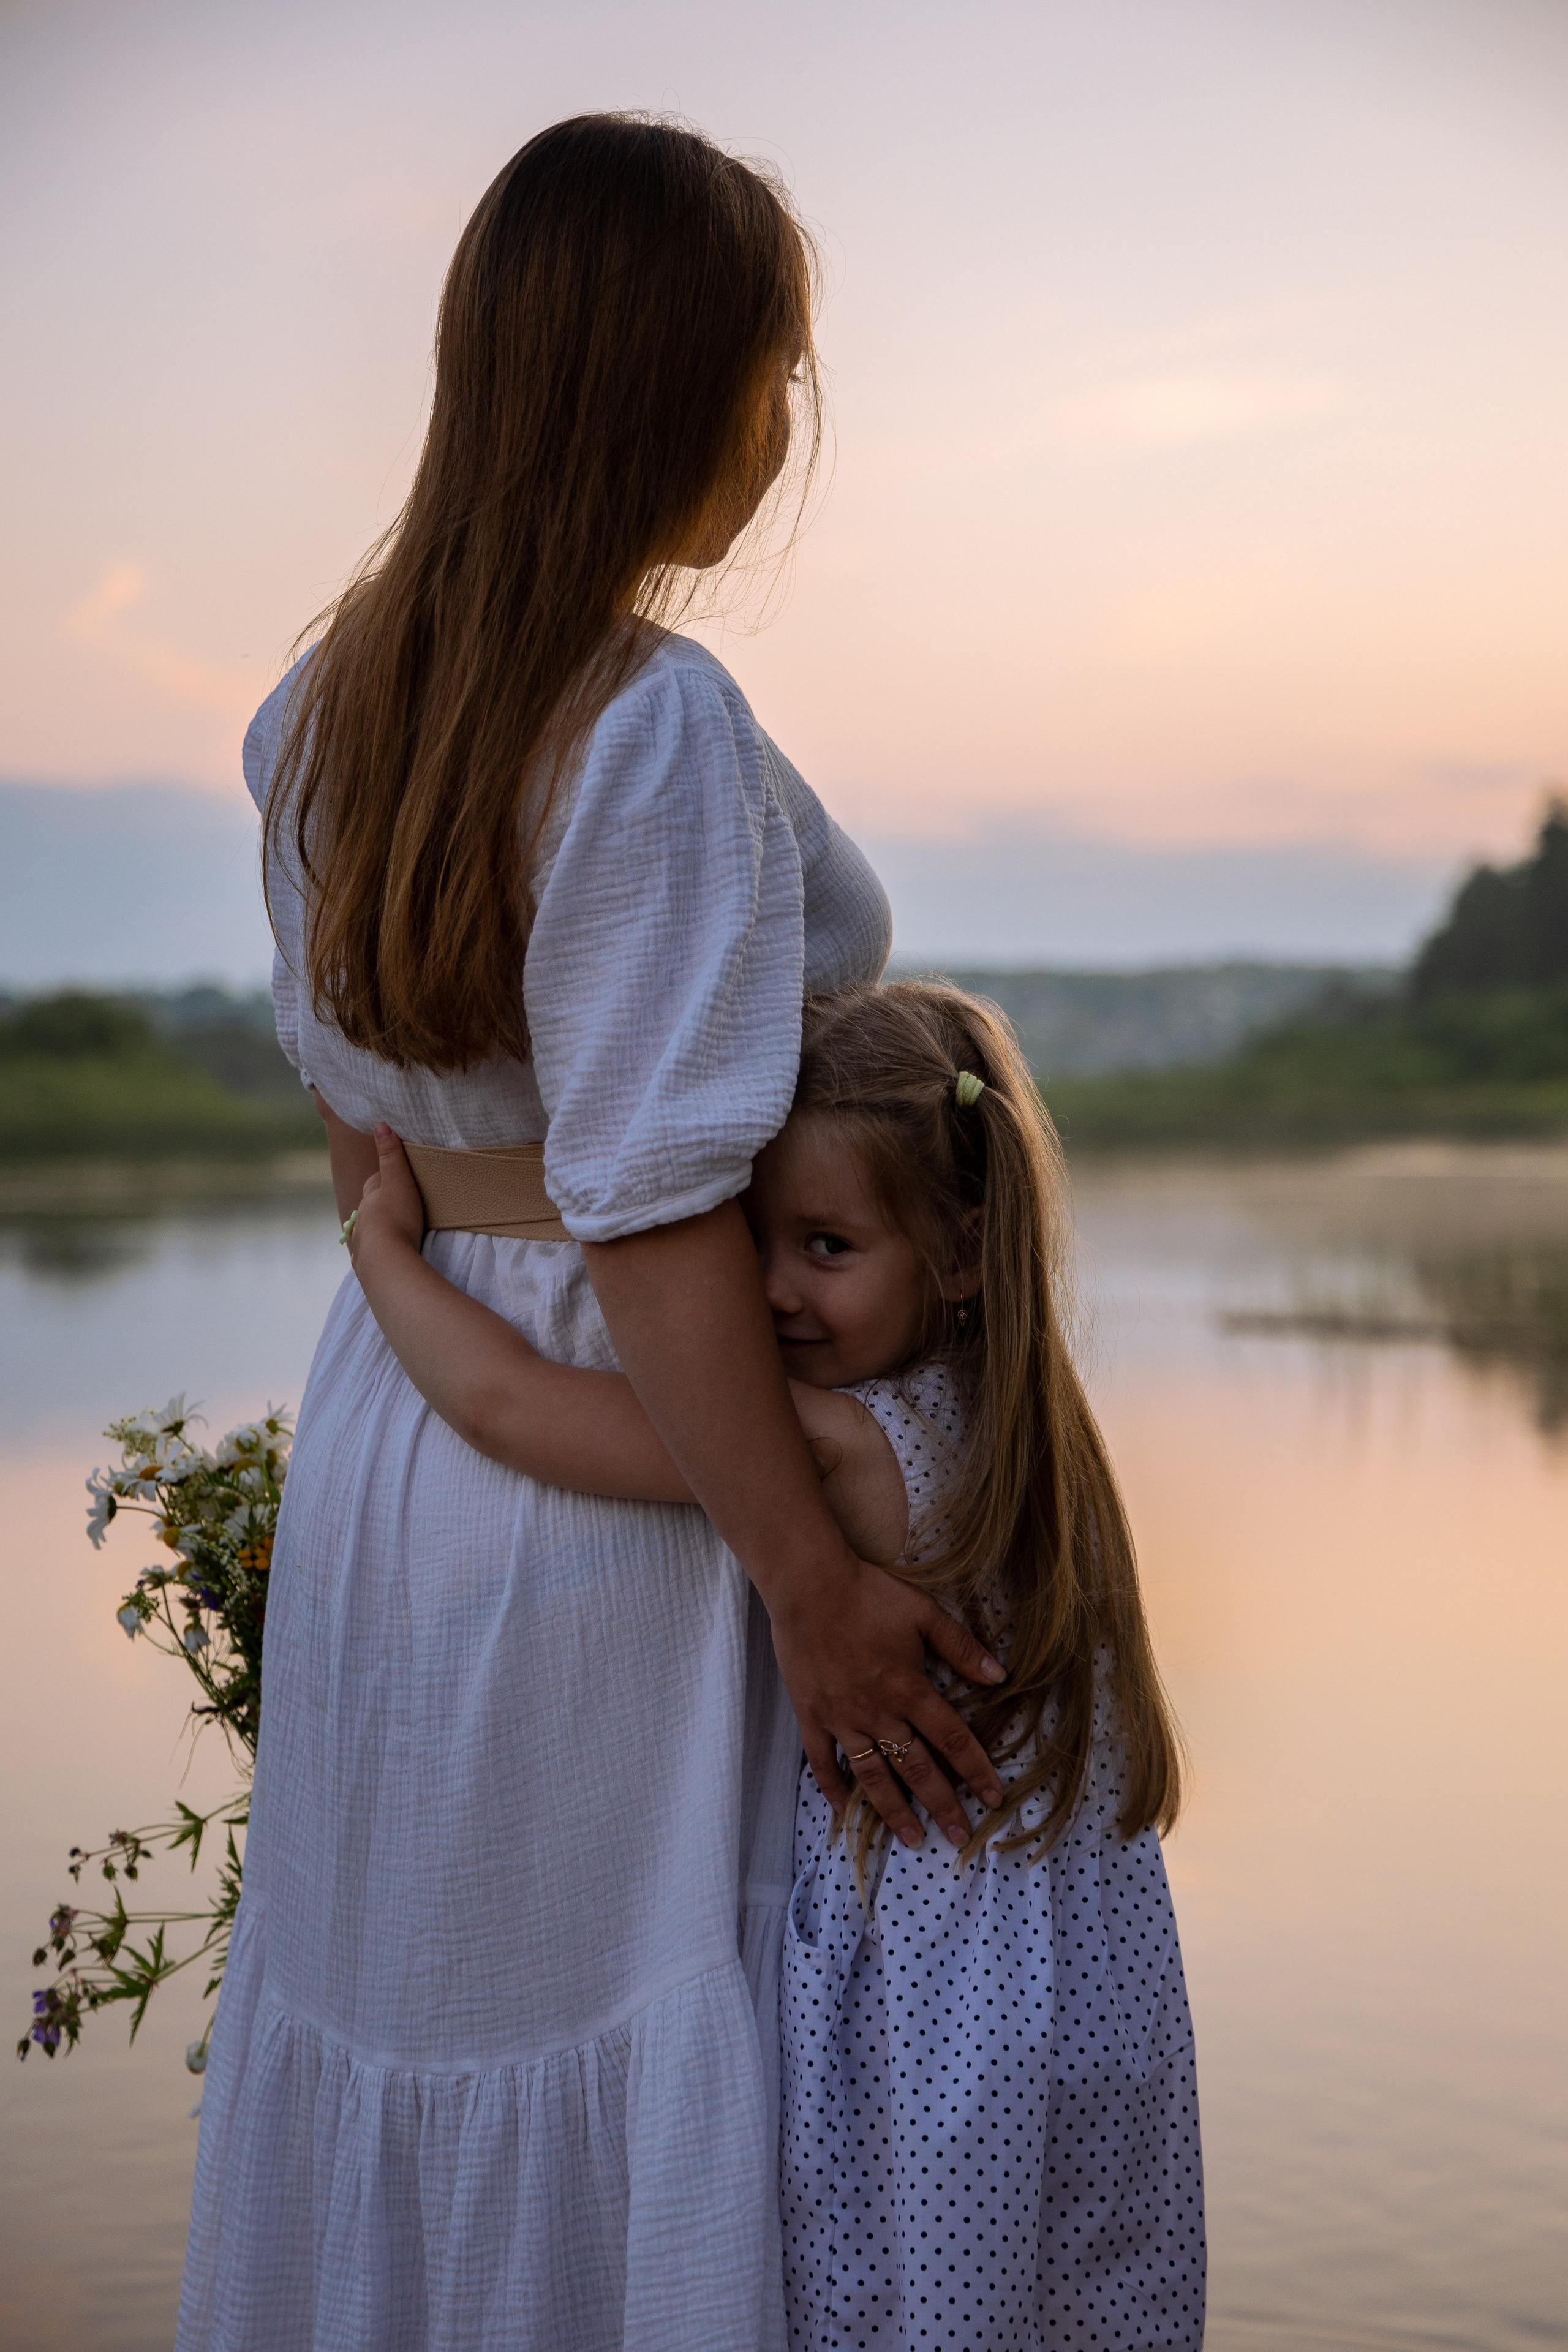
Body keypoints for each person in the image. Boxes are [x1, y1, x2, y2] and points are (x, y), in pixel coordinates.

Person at [178, 119, 1007, 2352]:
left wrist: (427, 1269)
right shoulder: (652, 726)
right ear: (673, 384)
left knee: (424, 2003)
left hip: (414, 1416)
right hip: (637, 1458)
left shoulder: (321, 707)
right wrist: (821, 1584)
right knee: (622, 2004)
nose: (787, 420)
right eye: (777, 367)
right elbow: (651, 1218)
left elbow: (369, 1124)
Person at [344, 978, 1208, 2350]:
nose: (770, 1294)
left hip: (932, 2026)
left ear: (962, 1252)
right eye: (753, 1241)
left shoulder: (838, 1450)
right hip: (1087, 1988)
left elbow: (510, 1405)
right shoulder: (1024, 1434)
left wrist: (382, 1254)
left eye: (823, 1245)